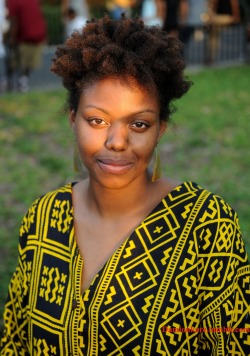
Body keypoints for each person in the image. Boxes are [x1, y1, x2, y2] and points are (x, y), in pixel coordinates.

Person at [0, 14, 250, 355]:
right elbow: (15, 340)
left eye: (140, 124)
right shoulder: (43, 218)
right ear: (73, 120)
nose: (117, 141)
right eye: (97, 120)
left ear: (160, 129)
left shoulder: (206, 226)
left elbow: (233, 343)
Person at [4, 0, 47, 92]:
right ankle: (23, 81)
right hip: (37, 34)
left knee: (16, 61)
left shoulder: (14, 2)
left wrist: (11, 38)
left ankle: (14, 82)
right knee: (30, 62)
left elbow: (14, 20)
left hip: (23, 37)